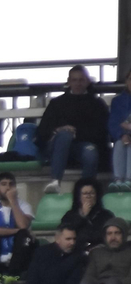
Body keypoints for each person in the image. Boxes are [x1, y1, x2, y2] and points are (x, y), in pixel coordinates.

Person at [39, 64, 109, 193]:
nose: (78, 83)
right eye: (74, 80)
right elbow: (42, 130)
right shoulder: (56, 103)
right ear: (69, 81)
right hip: (56, 146)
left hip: (83, 146)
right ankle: (55, 181)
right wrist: (58, 130)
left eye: (81, 80)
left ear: (87, 82)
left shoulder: (97, 104)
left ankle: (87, 191)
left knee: (90, 153)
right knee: (65, 135)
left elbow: (102, 132)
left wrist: (75, 133)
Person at [0, 171, 38, 279]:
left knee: (23, 235)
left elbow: (23, 225)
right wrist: (16, 231)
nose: (8, 187)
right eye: (4, 184)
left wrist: (13, 201)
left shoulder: (24, 206)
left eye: (11, 184)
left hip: (19, 258)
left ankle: (14, 273)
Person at [79, 218, 131, 284]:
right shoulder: (97, 253)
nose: (113, 237)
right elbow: (89, 275)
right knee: (86, 283)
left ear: (124, 235)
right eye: (109, 234)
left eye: (117, 233)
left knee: (113, 283)